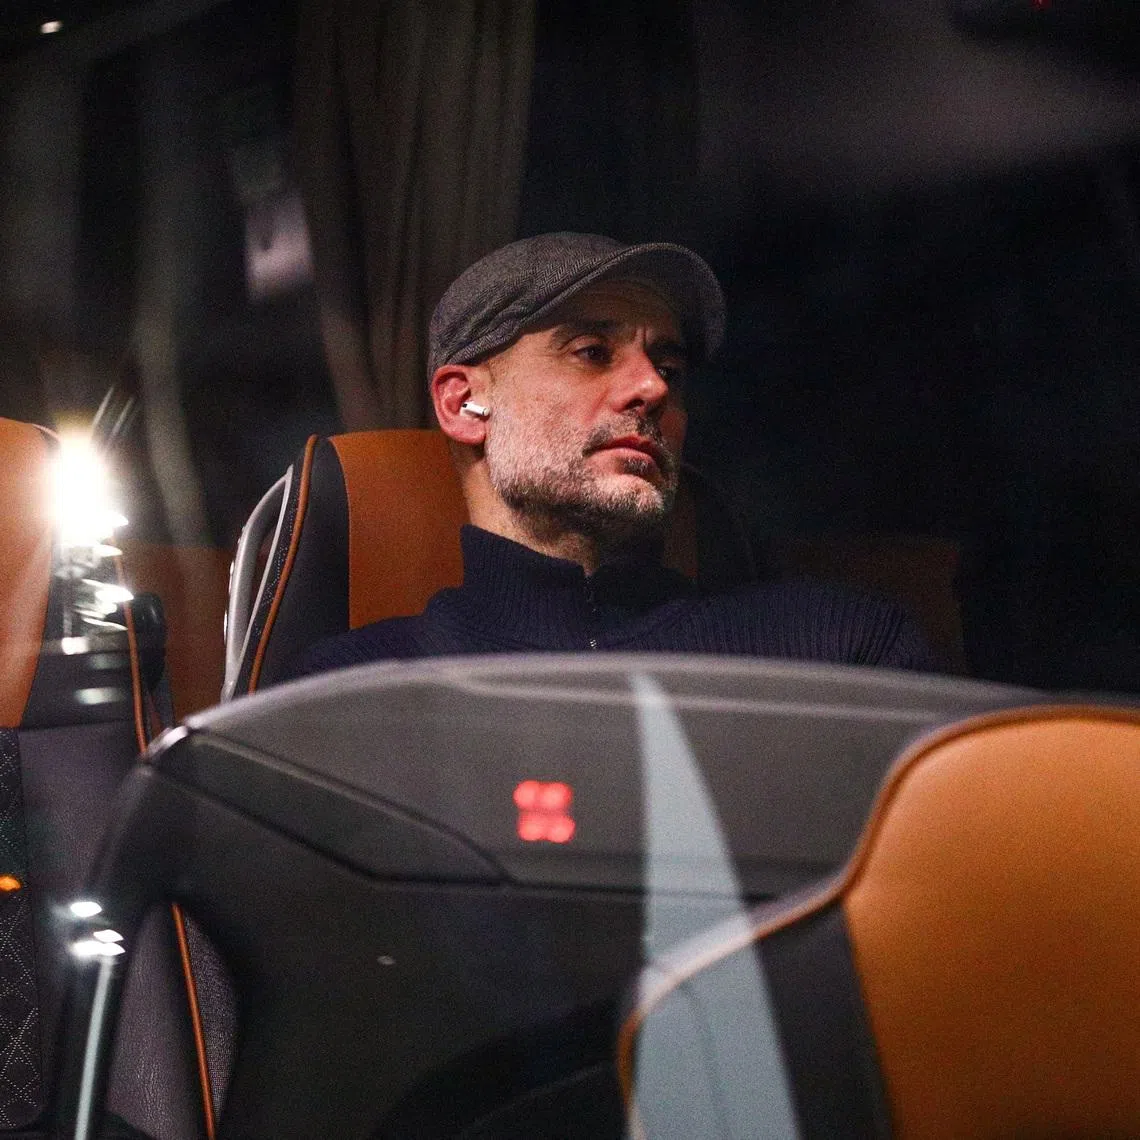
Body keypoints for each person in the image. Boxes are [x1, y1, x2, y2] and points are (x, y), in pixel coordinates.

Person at [289, 232, 935, 674]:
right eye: (592, 353)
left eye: (670, 368)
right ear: (464, 405)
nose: (652, 387)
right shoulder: (357, 691)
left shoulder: (837, 650)